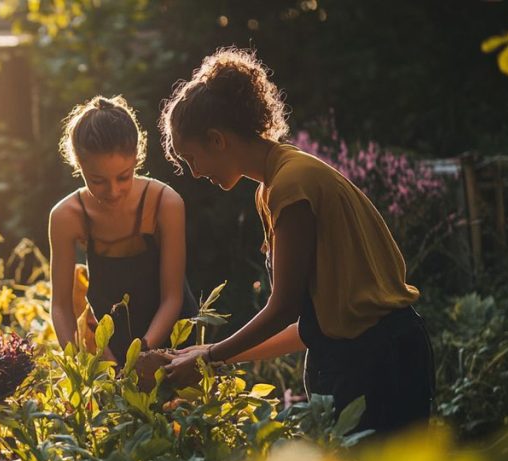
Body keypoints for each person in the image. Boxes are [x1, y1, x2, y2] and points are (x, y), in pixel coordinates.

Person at [162, 48, 434, 437]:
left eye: (191, 158)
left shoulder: (292, 183)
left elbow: (284, 307)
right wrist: (213, 357)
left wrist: (209, 355)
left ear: (217, 139)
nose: (195, 172)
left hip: (381, 360)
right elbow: (308, 322)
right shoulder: (272, 187)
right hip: (350, 357)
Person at [49, 96, 198, 364]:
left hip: (174, 340)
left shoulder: (166, 202)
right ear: (79, 165)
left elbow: (172, 298)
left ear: (137, 159)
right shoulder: (66, 217)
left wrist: (143, 355)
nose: (113, 191)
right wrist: (87, 363)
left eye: (123, 177)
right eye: (98, 180)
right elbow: (60, 307)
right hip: (111, 345)